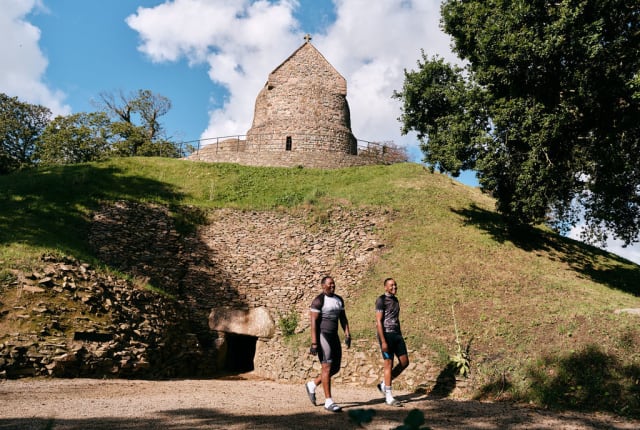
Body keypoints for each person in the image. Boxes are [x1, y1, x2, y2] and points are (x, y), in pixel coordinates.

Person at [305, 276, 351, 412]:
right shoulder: (319, 301)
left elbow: (343, 318)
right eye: (330, 284)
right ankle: (328, 401)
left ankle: (312, 385)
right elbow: (313, 323)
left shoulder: (339, 299)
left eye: (333, 284)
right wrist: (314, 343)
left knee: (335, 368)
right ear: (323, 286)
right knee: (326, 367)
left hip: (334, 337)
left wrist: (348, 334)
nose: (332, 286)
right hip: (322, 336)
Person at [375, 277, 409, 406]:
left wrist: (400, 334)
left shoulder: (395, 300)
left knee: (405, 362)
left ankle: (384, 384)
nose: (394, 287)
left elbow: (396, 318)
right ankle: (388, 397)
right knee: (388, 363)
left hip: (396, 334)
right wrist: (383, 341)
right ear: (385, 287)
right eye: (391, 285)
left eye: (395, 285)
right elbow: (378, 321)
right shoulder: (381, 300)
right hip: (386, 335)